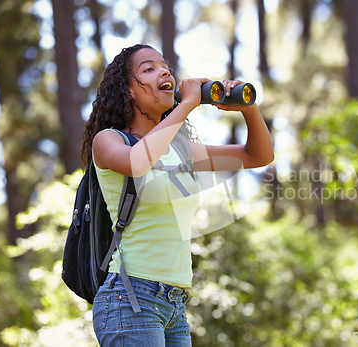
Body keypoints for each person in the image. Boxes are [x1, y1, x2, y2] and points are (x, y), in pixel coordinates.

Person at [80, 43, 274, 346]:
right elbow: (137, 162)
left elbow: (257, 155)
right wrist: (187, 105)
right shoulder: (109, 141)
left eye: (164, 66)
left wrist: (248, 108)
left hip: (175, 303)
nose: (164, 71)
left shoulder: (179, 150)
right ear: (128, 90)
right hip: (131, 298)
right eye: (149, 68)